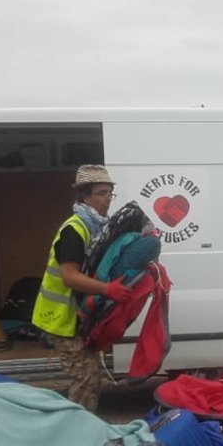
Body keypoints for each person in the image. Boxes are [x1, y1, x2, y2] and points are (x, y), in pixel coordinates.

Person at [32, 165, 132, 412]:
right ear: (85, 196)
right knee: (87, 378)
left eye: (110, 192)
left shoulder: (95, 227)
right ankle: (78, 431)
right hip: (60, 319)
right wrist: (107, 289)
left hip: (74, 319)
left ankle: (81, 428)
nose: (108, 198)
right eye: (101, 192)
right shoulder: (74, 231)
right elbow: (69, 277)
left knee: (90, 376)